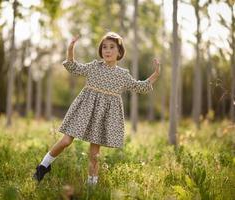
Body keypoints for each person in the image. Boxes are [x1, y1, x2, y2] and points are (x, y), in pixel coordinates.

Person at [33, 32, 160, 185]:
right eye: (104, 47)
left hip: (103, 116)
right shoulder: (94, 67)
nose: (107, 50)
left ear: (119, 52)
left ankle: (91, 186)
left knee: (94, 154)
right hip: (84, 109)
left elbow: (140, 86)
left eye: (112, 47)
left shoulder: (122, 75)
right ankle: (43, 166)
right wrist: (71, 48)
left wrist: (155, 74)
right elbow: (73, 67)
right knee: (66, 141)